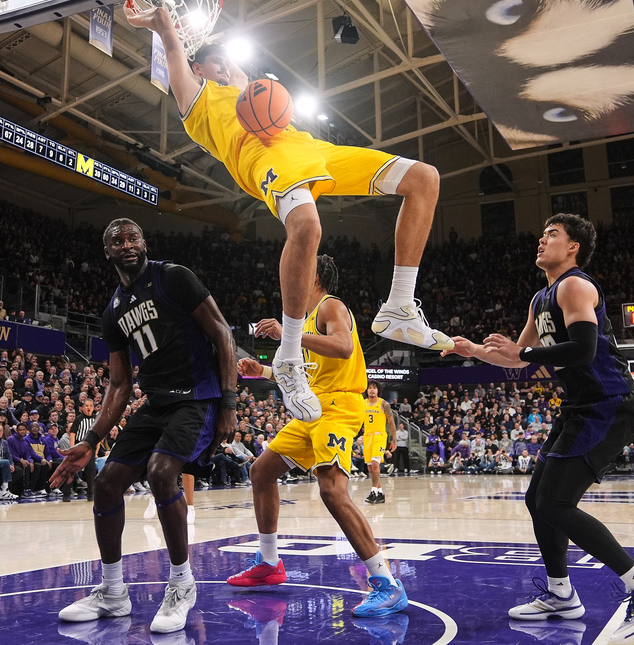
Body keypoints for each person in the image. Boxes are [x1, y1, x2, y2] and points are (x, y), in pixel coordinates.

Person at [123, 6, 453, 425]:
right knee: (308, 226)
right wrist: (164, 23)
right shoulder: (196, 98)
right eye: (214, 61)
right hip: (261, 157)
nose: (224, 65)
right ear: (196, 67)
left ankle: (399, 307)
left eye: (227, 60)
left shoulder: (244, 83)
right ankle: (290, 355)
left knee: (423, 177)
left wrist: (210, 24)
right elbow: (173, 50)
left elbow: (233, 58)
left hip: (309, 147)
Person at [443, 214, 634, 643]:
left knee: (554, 503)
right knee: (538, 499)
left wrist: (525, 351)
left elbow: (583, 349)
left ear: (572, 247)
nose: (541, 239)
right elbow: (518, 357)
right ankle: (560, 595)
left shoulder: (576, 285)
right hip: (579, 407)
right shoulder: (540, 298)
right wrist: (477, 350)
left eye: (552, 234)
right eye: (542, 233)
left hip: (608, 404)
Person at [51, 219, 237, 634]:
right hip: (156, 403)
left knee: (160, 472)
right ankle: (113, 593)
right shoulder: (112, 311)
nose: (127, 244)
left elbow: (222, 332)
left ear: (144, 242)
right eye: (117, 240)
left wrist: (229, 402)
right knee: (106, 482)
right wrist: (91, 440)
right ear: (108, 252)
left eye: (133, 237)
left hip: (197, 395)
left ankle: (182, 584)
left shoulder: (173, 277)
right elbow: (119, 384)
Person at [227, 255, 407, 619]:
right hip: (313, 406)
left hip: (339, 405)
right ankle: (269, 562)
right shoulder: (304, 322)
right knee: (260, 471)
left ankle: (387, 584)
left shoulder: (330, 306)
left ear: (314, 276)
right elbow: (300, 378)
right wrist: (260, 369)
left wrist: (287, 334)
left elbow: (342, 346)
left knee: (331, 491)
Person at [362, 381, 396, 503]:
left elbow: (391, 422)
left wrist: (394, 440)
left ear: (378, 391)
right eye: (370, 388)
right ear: (367, 391)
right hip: (367, 437)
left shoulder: (384, 404)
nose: (372, 390)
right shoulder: (363, 404)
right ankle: (380, 493)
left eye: (374, 388)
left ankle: (373, 492)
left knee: (375, 464)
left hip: (380, 437)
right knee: (371, 467)